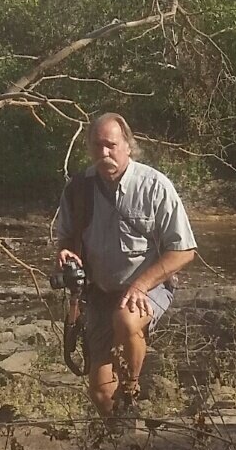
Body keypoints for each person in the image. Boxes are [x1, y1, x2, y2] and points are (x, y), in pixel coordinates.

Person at [53, 112, 197, 415]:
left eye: (111, 145)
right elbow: (66, 237)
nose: (104, 153)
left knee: (127, 319)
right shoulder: (78, 189)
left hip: (149, 287)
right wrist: (66, 253)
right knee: (101, 391)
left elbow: (184, 251)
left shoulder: (155, 186)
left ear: (128, 146)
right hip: (100, 293)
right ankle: (118, 435)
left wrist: (140, 285)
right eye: (97, 146)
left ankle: (131, 390)